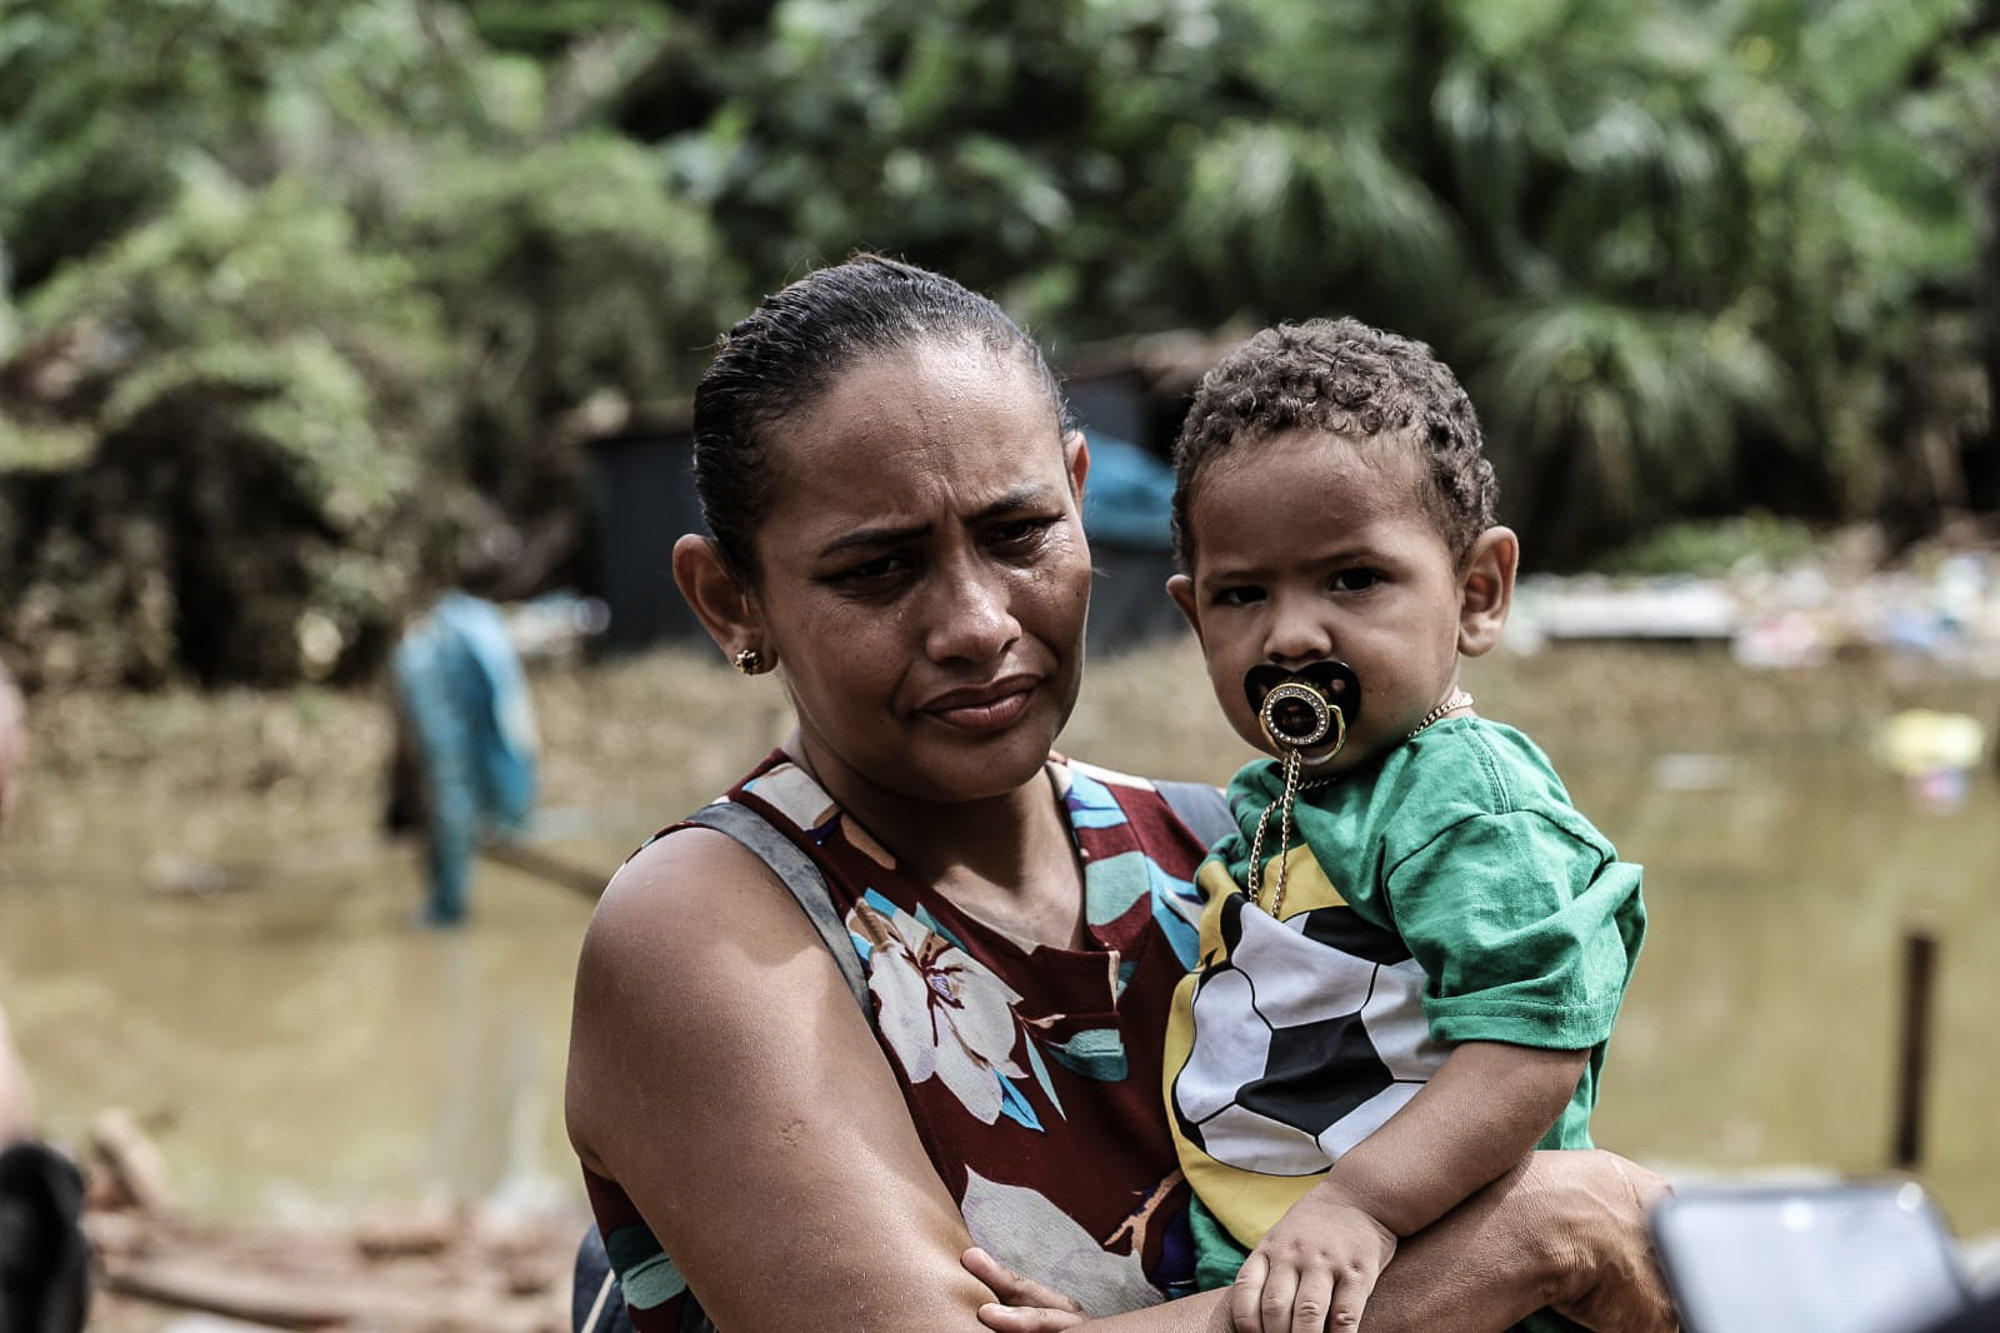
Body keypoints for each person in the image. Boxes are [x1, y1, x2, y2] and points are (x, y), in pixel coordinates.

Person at [562, 255, 1678, 1333]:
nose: (977, 623)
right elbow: (1511, 1232)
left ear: (1080, 501)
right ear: (728, 602)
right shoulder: (710, 932)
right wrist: (1531, 1240)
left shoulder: (1228, 860)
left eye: (1017, 534)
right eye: (876, 569)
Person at [1148, 319, 1646, 1333]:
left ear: (1475, 592)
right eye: (1242, 594)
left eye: (1351, 578)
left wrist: (1363, 1202)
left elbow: (1530, 1037)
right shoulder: (1270, 802)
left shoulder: (1463, 796)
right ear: (1196, 619)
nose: (1289, 632)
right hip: (1271, 1273)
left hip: (1452, 1283)